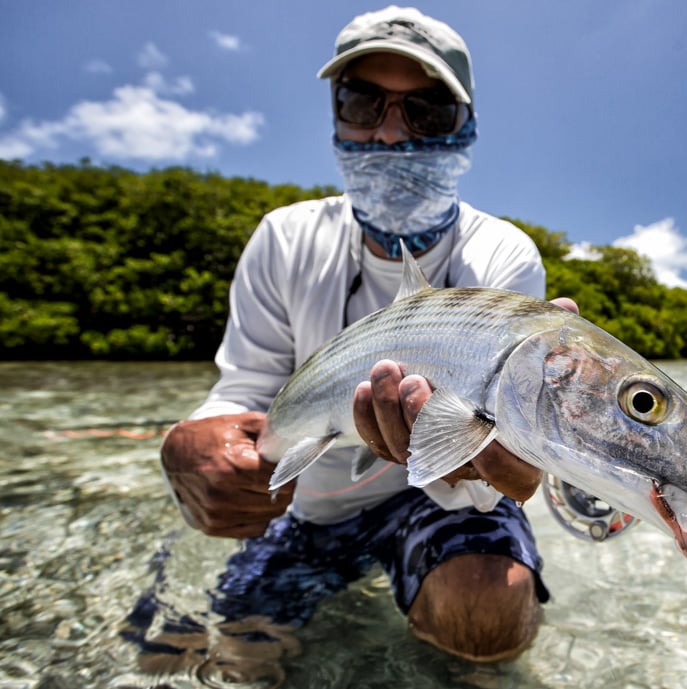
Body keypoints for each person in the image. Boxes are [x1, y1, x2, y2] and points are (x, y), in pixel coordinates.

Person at [152, 6, 569, 665]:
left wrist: (501, 460)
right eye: (362, 101)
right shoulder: (283, 238)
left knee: (488, 611)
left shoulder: (504, 254)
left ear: (467, 129)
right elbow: (245, 388)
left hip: (431, 500)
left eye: (426, 110)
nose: (391, 134)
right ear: (336, 118)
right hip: (306, 507)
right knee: (234, 653)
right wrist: (189, 443)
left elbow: (496, 470)